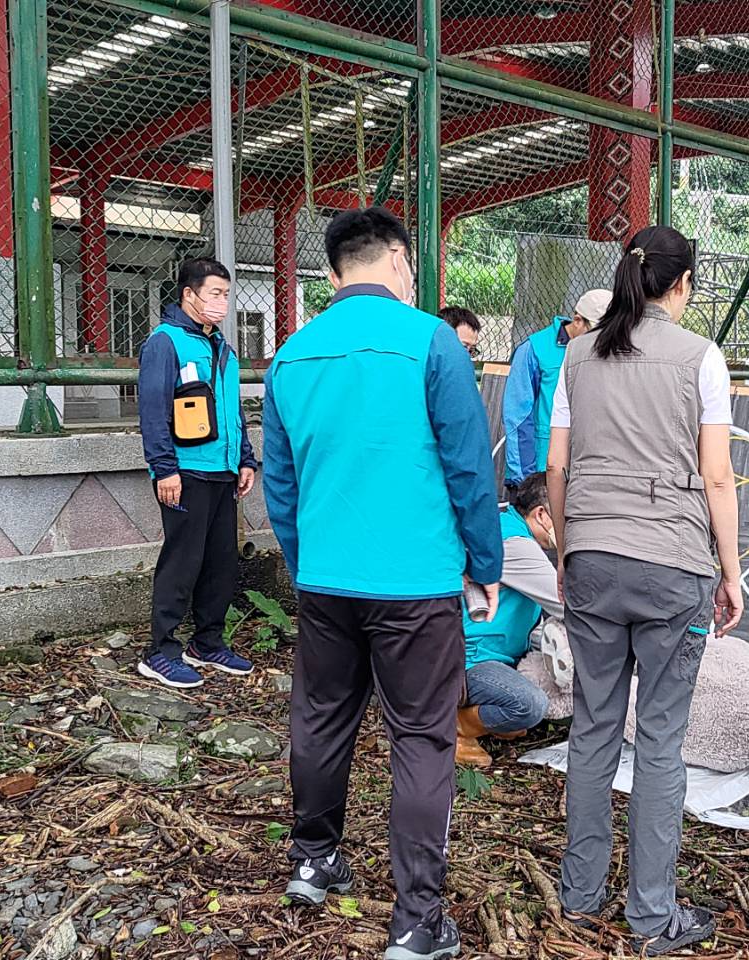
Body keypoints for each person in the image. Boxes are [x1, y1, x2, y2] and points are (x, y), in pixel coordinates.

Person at [263, 206, 501, 960]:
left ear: (334, 272)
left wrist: (305, 562)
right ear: (399, 261)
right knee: (422, 739)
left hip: (327, 578)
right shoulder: (432, 341)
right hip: (416, 582)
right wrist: (485, 564)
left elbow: (280, 484)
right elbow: (469, 467)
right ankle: (417, 920)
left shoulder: (292, 354)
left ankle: (312, 859)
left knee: (320, 717)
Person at [546, 226, 742, 956]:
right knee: (660, 740)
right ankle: (653, 916)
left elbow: (557, 468)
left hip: (592, 557)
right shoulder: (701, 357)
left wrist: (567, 552)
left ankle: (580, 894)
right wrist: (731, 571)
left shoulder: (576, 356)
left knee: (593, 725)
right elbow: (716, 475)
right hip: (672, 564)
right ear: (682, 283)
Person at [135, 257, 259, 690]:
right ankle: (161, 651)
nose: (222, 302)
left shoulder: (222, 346)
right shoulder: (165, 343)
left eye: (226, 294)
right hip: (185, 472)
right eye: (215, 293)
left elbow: (233, 410)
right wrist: (164, 469)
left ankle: (208, 642)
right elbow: (153, 412)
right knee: (182, 561)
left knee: (221, 562)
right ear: (189, 294)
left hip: (223, 470)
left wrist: (245, 459)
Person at [457, 471, 561, 768]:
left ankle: (488, 713)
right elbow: (567, 604)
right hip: (472, 660)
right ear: (541, 514)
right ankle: (458, 727)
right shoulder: (515, 544)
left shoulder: (506, 527)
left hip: (495, 655)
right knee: (530, 705)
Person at [501, 288, 611, 488]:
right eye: (595, 332)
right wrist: (525, 481)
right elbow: (518, 417)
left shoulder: (605, 352)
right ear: (577, 321)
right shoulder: (534, 349)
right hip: (540, 472)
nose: (599, 340)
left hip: (587, 473)